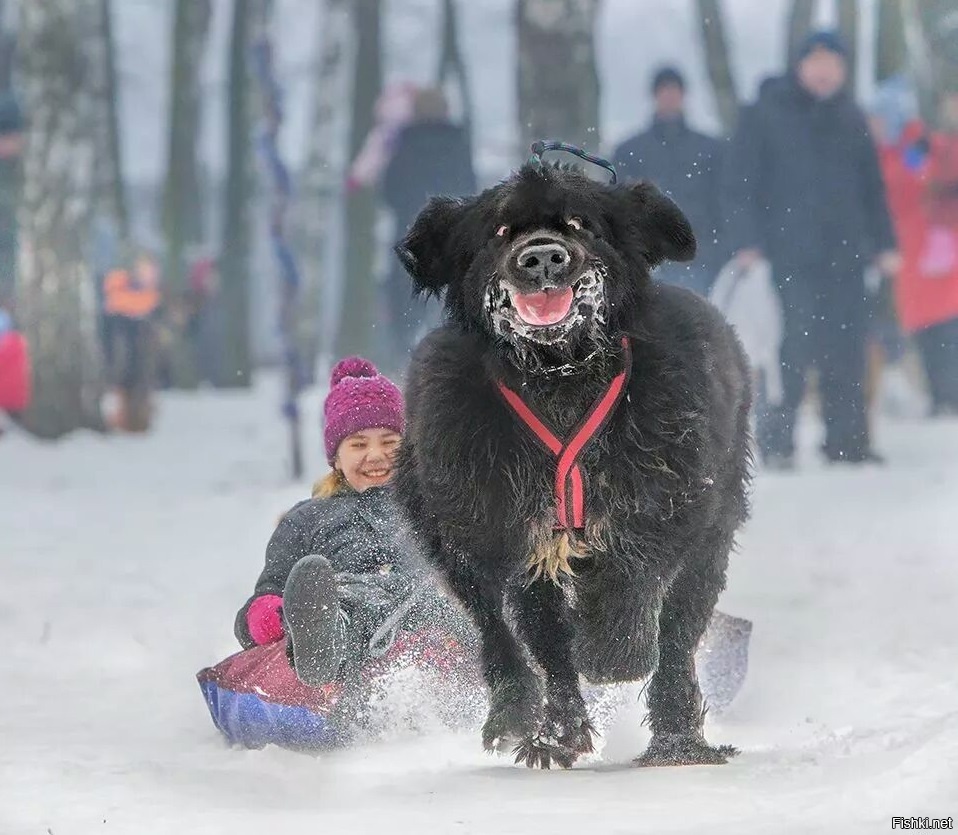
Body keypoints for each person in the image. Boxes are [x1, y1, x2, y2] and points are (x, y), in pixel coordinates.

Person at [723, 31, 899, 467]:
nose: (824, 72)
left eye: (833, 63)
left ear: (842, 70)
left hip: (846, 255)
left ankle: (847, 442)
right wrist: (746, 241)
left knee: (847, 347)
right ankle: (779, 444)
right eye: (816, 61)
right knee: (790, 349)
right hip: (786, 256)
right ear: (799, 66)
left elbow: (872, 189)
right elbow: (738, 184)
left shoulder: (852, 117)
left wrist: (885, 243)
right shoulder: (766, 113)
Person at [234, 357, 460, 689]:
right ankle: (323, 644)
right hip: (349, 609)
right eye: (358, 444)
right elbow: (264, 598)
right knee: (348, 603)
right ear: (336, 457)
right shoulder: (307, 519)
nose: (375, 455)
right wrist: (277, 616)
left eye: (389, 442)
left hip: (428, 608)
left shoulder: (437, 506)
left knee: (454, 598)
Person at [381, 87, 476, 366]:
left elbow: (389, 190)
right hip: (449, 232)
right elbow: (468, 186)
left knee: (405, 295)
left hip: (409, 231)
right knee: (447, 295)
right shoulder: (456, 141)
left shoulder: (405, 143)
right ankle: (448, 354)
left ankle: (403, 351)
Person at [877, 93, 958, 416]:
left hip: (937, 247)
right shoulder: (897, 152)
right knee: (928, 328)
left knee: (944, 327)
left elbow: (917, 182)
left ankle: (947, 394)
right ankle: (941, 393)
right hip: (911, 253)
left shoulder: (923, 147)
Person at [612, 66, 726, 294]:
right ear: (654, 96)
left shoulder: (710, 149)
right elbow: (618, 204)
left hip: (701, 252)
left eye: (674, 91)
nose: (669, 97)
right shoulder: (630, 150)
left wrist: (722, 244)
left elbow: (723, 198)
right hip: (650, 254)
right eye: (664, 91)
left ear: (684, 96)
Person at [101, 249, 161, 431]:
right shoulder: (119, 287)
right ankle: (125, 418)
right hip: (122, 349)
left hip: (138, 353)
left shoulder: (148, 294)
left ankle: (135, 419)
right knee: (125, 380)